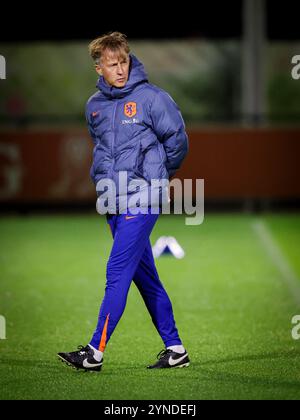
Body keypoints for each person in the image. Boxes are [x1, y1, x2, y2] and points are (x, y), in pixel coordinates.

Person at [58, 32, 189, 372]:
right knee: (146, 278)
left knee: (116, 273)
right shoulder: (94, 107)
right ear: (98, 68)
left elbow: (178, 141)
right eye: (112, 64)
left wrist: (156, 177)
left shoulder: (152, 99)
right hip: (112, 203)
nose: (120, 69)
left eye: (124, 62)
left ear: (130, 60)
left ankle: (94, 352)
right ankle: (176, 350)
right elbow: (102, 151)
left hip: (143, 199)